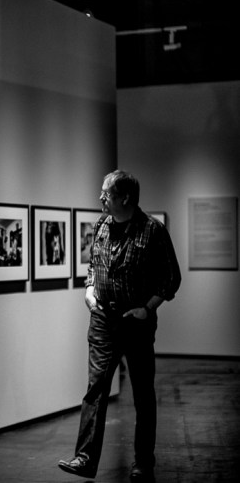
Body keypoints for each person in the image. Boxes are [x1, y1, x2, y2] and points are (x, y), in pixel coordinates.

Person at [59, 170, 181, 482]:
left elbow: (171, 278)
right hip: (103, 319)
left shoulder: (152, 230)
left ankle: (143, 463)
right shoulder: (101, 224)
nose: (101, 198)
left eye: (107, 193)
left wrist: (147, 308)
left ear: (125, 198)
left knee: (142, 394)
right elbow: (92, 264)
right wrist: (89, 289)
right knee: (95, 389)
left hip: (135, 323)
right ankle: (85, 458)